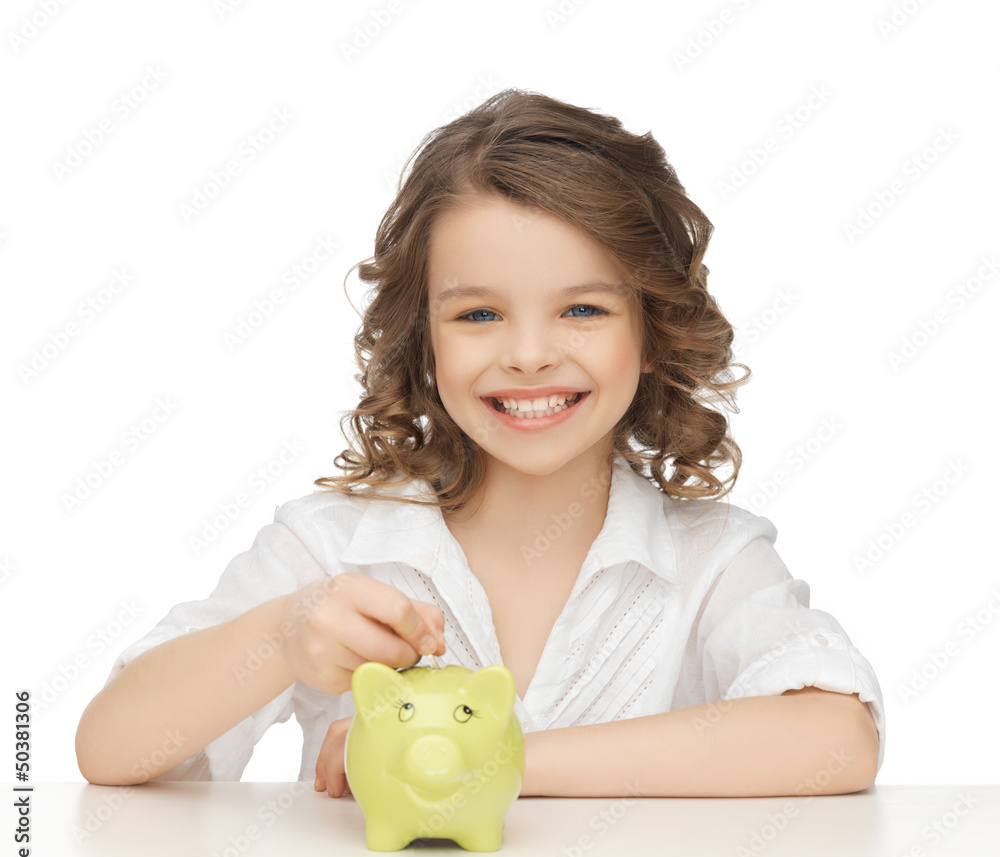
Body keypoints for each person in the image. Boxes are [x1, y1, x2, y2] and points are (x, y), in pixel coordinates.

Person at [76, 88, 885, 798]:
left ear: (652, 333)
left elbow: (838, 741)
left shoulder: (712, 561)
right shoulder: (332, 548)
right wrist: (283, 635)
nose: (529, 353)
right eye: (478, 314)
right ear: (422, 340)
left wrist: (492, 758)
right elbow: (110, 750)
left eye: (583, 310)